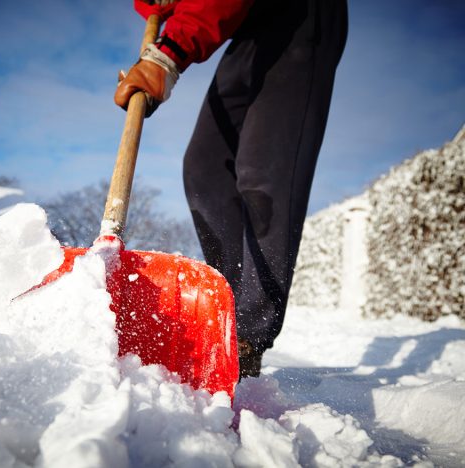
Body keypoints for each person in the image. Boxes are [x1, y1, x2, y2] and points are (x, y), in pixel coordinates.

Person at [115, 0, 348, 378]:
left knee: (263, 171)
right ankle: (227, 312)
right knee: (204, 169)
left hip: (301, 16)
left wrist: (168, 55)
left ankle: (247, 336)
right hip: (250, 28)